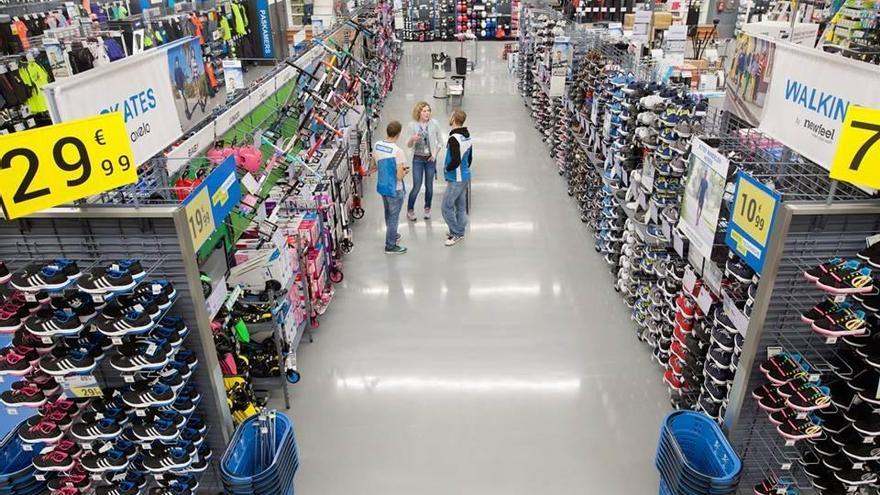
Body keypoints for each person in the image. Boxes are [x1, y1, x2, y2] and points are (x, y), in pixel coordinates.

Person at [373, 121, 410, 254]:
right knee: (394, 217)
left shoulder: (377, 145)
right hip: (395, 189)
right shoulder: (398, 151)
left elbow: (375, 164)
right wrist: (405, 171)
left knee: (388, 213)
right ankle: (390, 246)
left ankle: (392, 235)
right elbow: (399, 176)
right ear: (398, 134)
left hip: (383, 186)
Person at [405, 102, 443, 222]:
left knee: (429, 186)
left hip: (430, 160)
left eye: (428, 110)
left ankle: (427, 207)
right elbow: (408, 144)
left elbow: (440, 142)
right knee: (417, 186)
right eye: (424, 111)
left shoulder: (434, 123)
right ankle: (410, 209)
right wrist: (412, 139)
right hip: (417, 160)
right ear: (419, 112)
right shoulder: (412, 125)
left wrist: (435, 155)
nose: (427, 113)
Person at [442, 110, 472, 247]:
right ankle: (460, 231)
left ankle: (456, 233)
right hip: (465, 176)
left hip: (456, 178)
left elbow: (456, 160)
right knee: (460, 206)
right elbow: (469, 158)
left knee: (446, 207)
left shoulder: (454, 139)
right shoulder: (467, 137)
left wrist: (447, 168)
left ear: (454, 119)